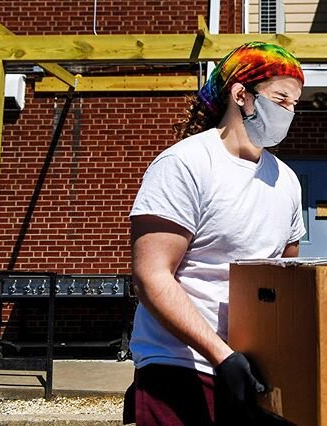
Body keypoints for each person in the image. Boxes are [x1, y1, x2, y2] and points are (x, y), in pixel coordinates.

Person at [123, 42, 306, 425]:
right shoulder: (185, 164)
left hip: (251, 371)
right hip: (177, 367)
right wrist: (222, 355)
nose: (290, 112)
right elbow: (151, 276)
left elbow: (285, 273)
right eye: (281, 99)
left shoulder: (286, 180)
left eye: (295, 103)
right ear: (242, 94)